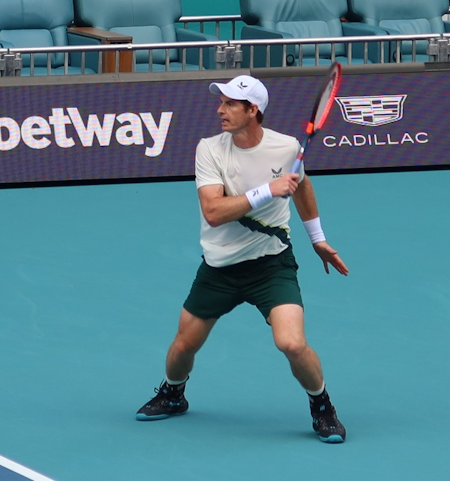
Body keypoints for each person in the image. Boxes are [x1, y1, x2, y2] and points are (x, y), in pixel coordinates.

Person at [135, 75, 349, 444]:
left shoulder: (286, 148)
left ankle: (322, 406)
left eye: (231, 103)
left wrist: (318, 239)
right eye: (221, 102)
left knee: (292, 344)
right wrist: (269, 189)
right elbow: (214, 212)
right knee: (183, 347)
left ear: (254, 111)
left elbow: (302, 187)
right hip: (219, 269)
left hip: (271, 266)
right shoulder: (210, 149)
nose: (220, 110)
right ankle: (173, 393)